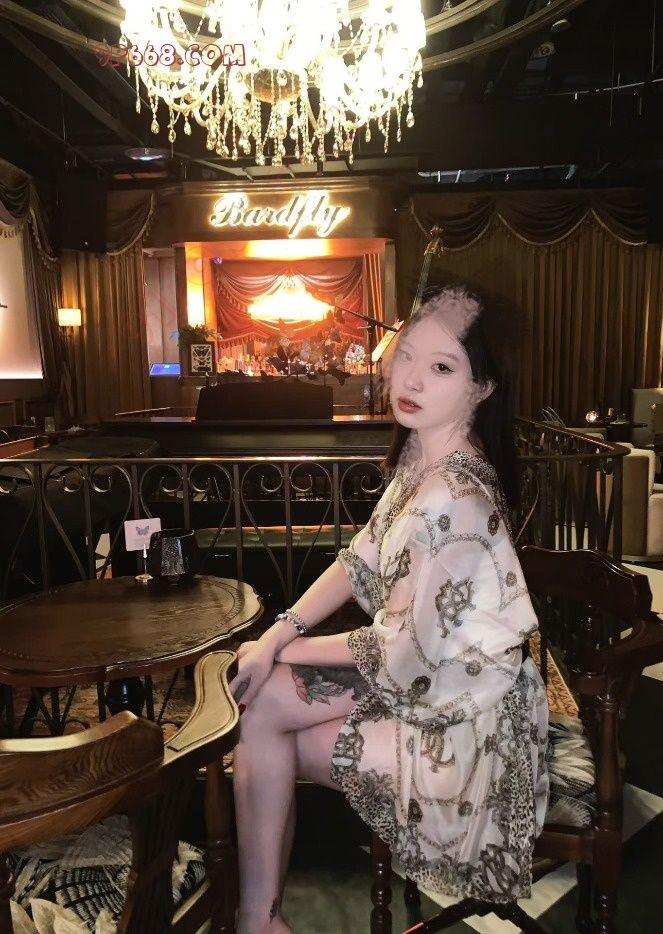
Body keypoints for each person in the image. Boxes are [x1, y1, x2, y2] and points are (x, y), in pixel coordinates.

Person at [229, 285, 550, 934]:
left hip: (473, 727)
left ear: (482, 388)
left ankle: (256, 917)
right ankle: (259, 918)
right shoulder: (424, 457)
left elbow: (397, 650)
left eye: (442, 367)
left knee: (260, 718)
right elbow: (361, 558)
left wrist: (275, 647)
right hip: (433, 683)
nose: (412, 380)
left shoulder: (455, 494)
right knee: (261, 706)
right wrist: (281, 631)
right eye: (407, 356)